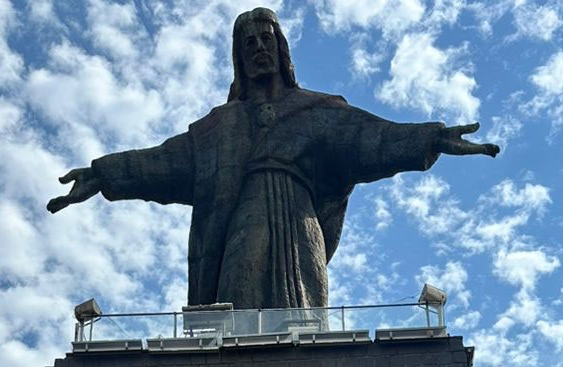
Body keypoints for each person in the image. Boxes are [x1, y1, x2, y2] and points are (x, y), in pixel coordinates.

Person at [46, 8, 500, 313]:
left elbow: (370, 137)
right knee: (239, 299)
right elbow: (163, 162)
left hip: (302, 222)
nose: (260, 48)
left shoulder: (319, 110)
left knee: (307, 308)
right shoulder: (217, 128)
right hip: (244, 217)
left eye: (267, 39)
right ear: (240, 58)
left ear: (281, 49)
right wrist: (103, 172)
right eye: (249, 43)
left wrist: (429, 137)